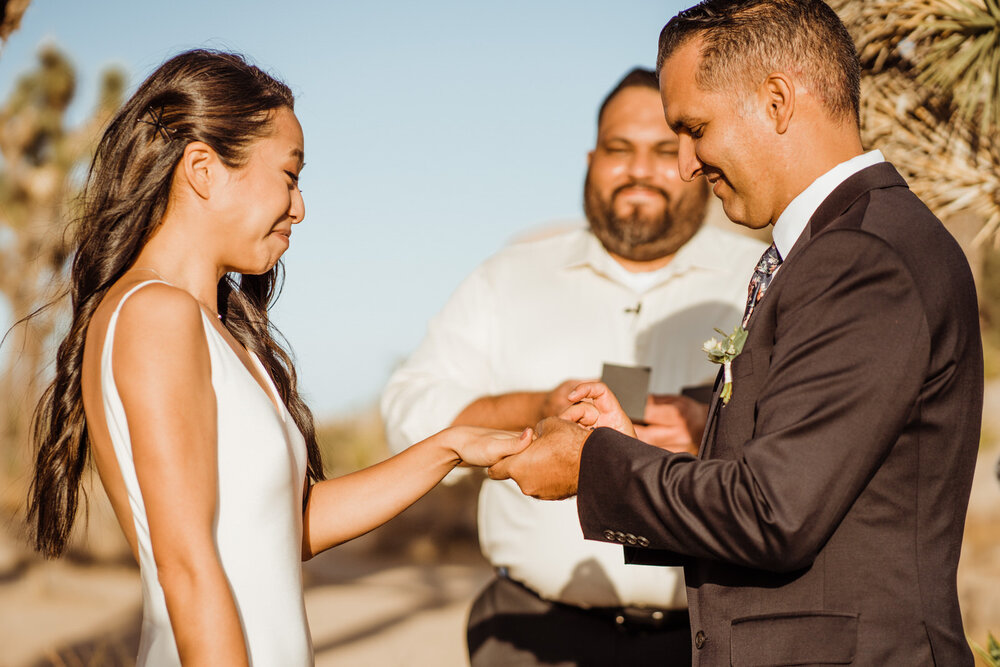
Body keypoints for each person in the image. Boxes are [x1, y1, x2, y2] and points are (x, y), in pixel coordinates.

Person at [489, 1, 983, 664]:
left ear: (777, 100)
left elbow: (773, 512)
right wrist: (631, 447)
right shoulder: (830, 247)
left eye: (696, 127)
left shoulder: (862, 258)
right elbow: (791, 483)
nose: (687, 164)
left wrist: (593, 466)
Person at [24, 49, 525, 667]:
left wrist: (449, 446)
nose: (300, 205)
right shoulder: (156, 316)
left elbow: (292, 524)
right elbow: (188, 566)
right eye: (289, 175)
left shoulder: (215, 330)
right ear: (204, 169)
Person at [381, 68, 766, 665]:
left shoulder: (759, 278)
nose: (640, 169)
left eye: (665, 150)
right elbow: (408, 418)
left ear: (696, 157)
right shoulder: (508, 276)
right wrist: (537, 411)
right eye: (619, 149)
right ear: (591, 158)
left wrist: (711, 430)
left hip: (711, 640)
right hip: (532, 636)